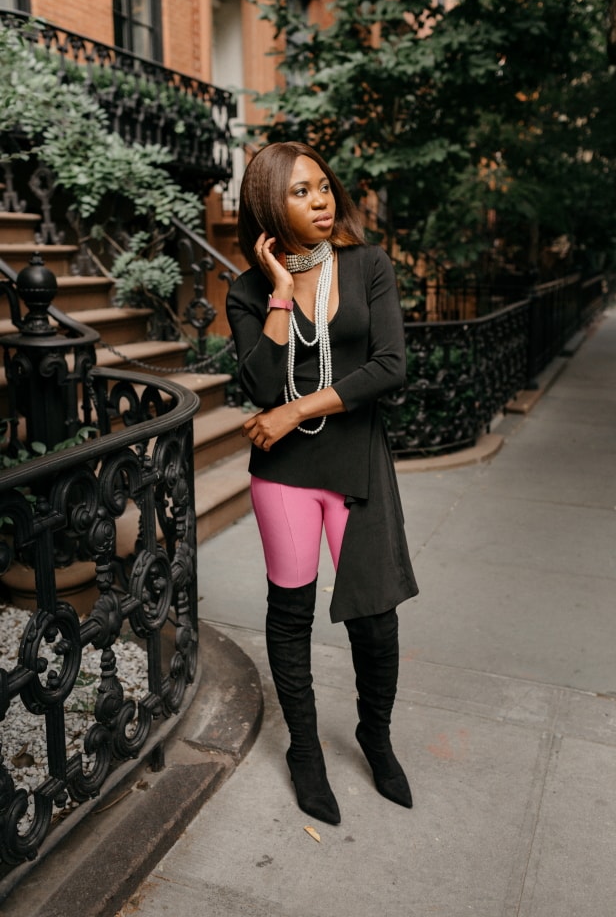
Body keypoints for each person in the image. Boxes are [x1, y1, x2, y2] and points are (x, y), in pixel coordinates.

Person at [226, 141, 418, 826]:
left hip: (356, 462)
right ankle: (303, 752)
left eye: (322, 186)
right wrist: (279, 291)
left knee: (375, 614)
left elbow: (391, 366)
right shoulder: (248, 290)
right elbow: (260, 383)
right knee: (291, 614)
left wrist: (296, 410)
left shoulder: (367, 266)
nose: (321, 199)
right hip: (284, 478)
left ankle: (376, 735)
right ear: (269, 208)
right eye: (301, 192)